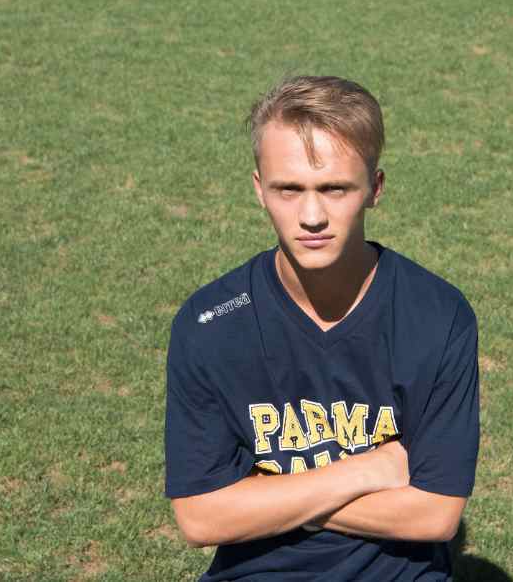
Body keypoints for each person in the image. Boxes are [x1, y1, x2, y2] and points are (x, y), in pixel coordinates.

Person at [165, 75, 480, 581]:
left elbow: (435, 515)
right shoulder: (209, 324)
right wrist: (363, 472)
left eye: (335, 188)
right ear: (259, 189)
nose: (312, 216)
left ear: (375, 189)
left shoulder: (438, 316)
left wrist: (261, 492)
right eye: (289, 189)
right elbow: (200, 517)